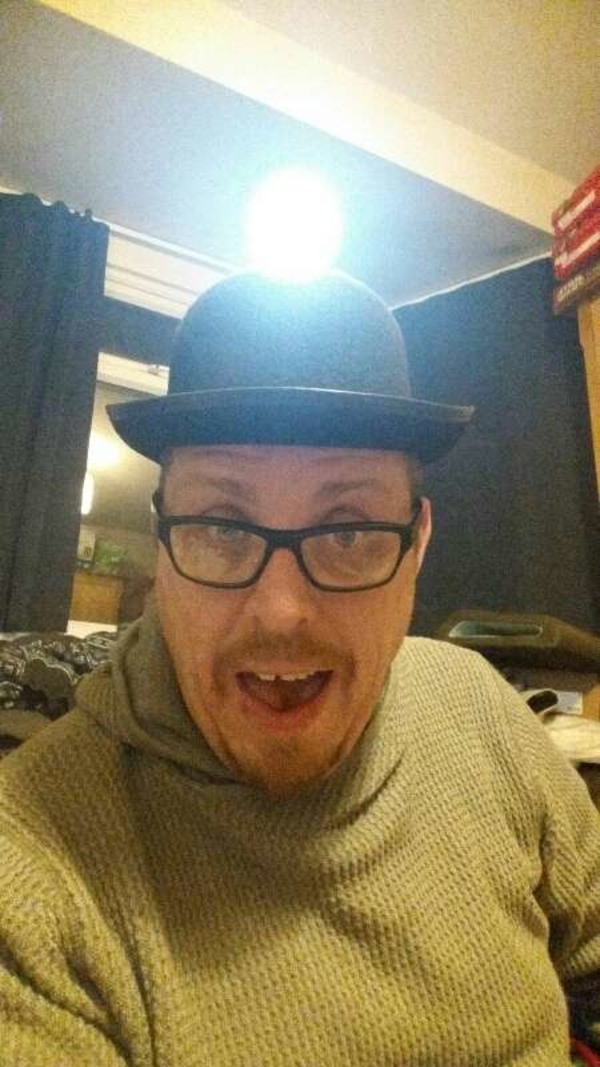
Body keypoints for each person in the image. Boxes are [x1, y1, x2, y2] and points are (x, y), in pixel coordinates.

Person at [1, 270, 599, 1067]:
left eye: (348, 531)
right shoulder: (30, 873)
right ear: (163, 547)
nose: (281, 610)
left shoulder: (477, 706)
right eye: (222, 526)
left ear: (417, 546)